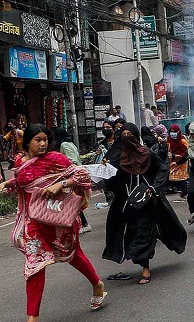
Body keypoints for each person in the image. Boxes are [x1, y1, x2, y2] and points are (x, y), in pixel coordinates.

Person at [0, 124, 106, 321]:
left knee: (73, 255)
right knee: (35, 264)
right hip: (33, 222)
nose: (42, 144)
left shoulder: (55, 159)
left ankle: (97, 284)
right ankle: (33, 317)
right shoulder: (20, 161)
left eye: (45, 140)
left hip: (58, 220)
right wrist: (9, 183)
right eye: (37, 140)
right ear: (27, 142)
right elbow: (24, 183)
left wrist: (61, 184)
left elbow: (81, 175)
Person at [102, 123, 187, 284]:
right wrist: (106, 170)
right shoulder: (119, 158)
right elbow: (113, 183)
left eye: (130, 134)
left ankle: (145, 267)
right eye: (124, 135)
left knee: (144, 232)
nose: (127, 138)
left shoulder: (147, 154)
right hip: (128, 204)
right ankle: (141, 258)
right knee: (132, 233)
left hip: (148, 202)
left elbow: (162, 169)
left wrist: (154, 188)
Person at [51, 127, 93, 234]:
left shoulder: (63, 145)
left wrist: (62, 167)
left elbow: (72, 160)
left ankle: (83, 224)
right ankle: (81, 224)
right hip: (78, 174)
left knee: (72, 201)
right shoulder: (71, 143)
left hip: (73, 176)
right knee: (73, 201)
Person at [167, 124, 189, 198]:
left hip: (181, 162)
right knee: (173, 177)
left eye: (174, 131)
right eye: (171, 131)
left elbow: (187, 152)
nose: (172, 133)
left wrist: (176, 156)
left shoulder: (182, 141)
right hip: (172, 162)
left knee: (182, 177)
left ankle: (184, 191)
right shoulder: (169, 140)